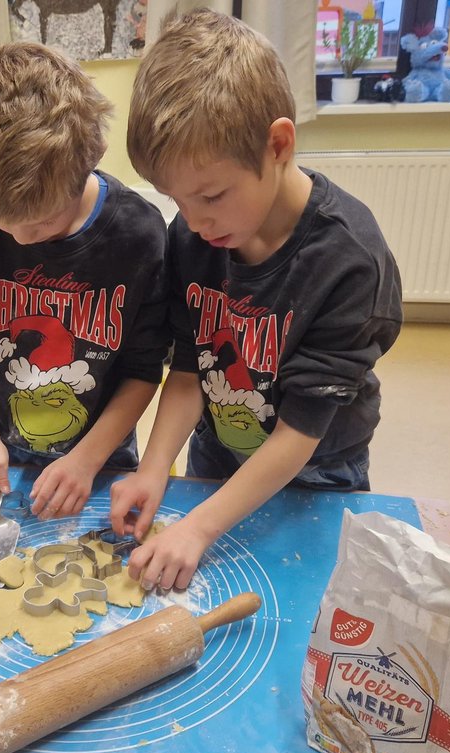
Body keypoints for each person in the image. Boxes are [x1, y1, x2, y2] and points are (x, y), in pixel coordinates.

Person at [110, 10, 403, 592]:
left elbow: (299, 433)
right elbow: (192, 370)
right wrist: (153, 470)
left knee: (298, 599)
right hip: (219, 454)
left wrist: (197, 528)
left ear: (278, 144)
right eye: (176, 199)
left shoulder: (347, 261)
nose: (193, 220)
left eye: (212, 195)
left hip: (316, 470)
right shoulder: (195, 236)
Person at [0, 41, 169, 519]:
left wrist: (87, 460)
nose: (19, 236)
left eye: (40, 223)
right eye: (0, 220)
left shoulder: (138, 236)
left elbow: (145, 369)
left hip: (100, 453)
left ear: (92, 156)